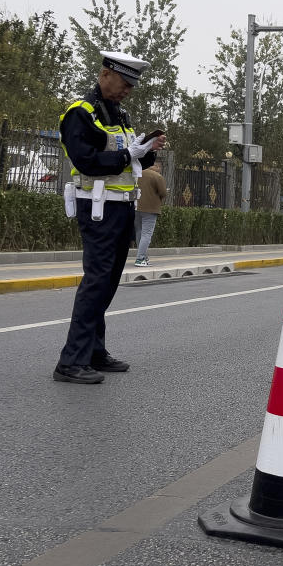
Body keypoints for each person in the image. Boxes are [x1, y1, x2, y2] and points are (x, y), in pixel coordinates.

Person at [53, 51, 166, 384]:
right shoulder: (80, 113)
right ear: (105, 75)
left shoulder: (119, 113)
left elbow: (130, 163)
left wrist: (146, 150)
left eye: (131, 86)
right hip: (97, 206)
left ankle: (94, 351)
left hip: (121, 207)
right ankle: (70, 360)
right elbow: (87, 160)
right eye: (123, 83)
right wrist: (129, 154)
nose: (127, 91)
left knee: (108, 282)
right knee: (97, 280)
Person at [134, 163, 167, 267]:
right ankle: (140, 259)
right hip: (150, 209)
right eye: (159, 167)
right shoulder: (157, 176)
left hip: (136, 207)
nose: (160, 169)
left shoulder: (137, 174)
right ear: (156, 166)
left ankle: (143, 257)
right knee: (147, 234)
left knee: (139, 232)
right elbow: (163, 193)